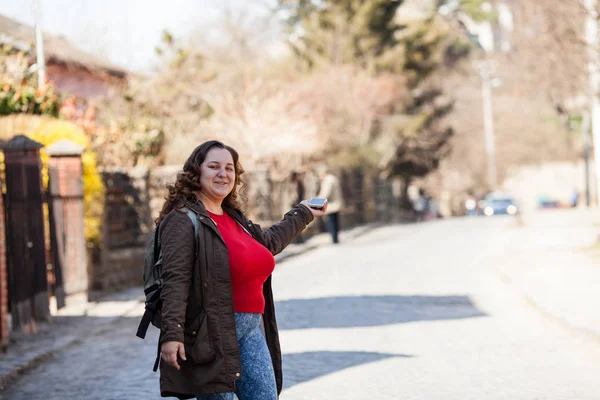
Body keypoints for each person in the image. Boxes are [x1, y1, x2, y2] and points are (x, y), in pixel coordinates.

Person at [155, 140, 325, 399]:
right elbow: (175, 280)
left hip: (249, 329)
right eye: (214, 166)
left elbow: (268, 243)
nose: (223, 174)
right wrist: (172, 334)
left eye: (229, 168)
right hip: (211, 333)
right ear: (196, 172)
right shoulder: (182, 220)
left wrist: (303, 212)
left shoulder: (234, 219)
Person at [316, 165, 343, 244]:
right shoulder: (333, 178)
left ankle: (334, 239)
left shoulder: (327, 181)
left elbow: (325, 193)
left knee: (331, 222)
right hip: (336, 203)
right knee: (335, 221)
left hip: (331, 205)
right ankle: (336, 238)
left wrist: (316, 201)